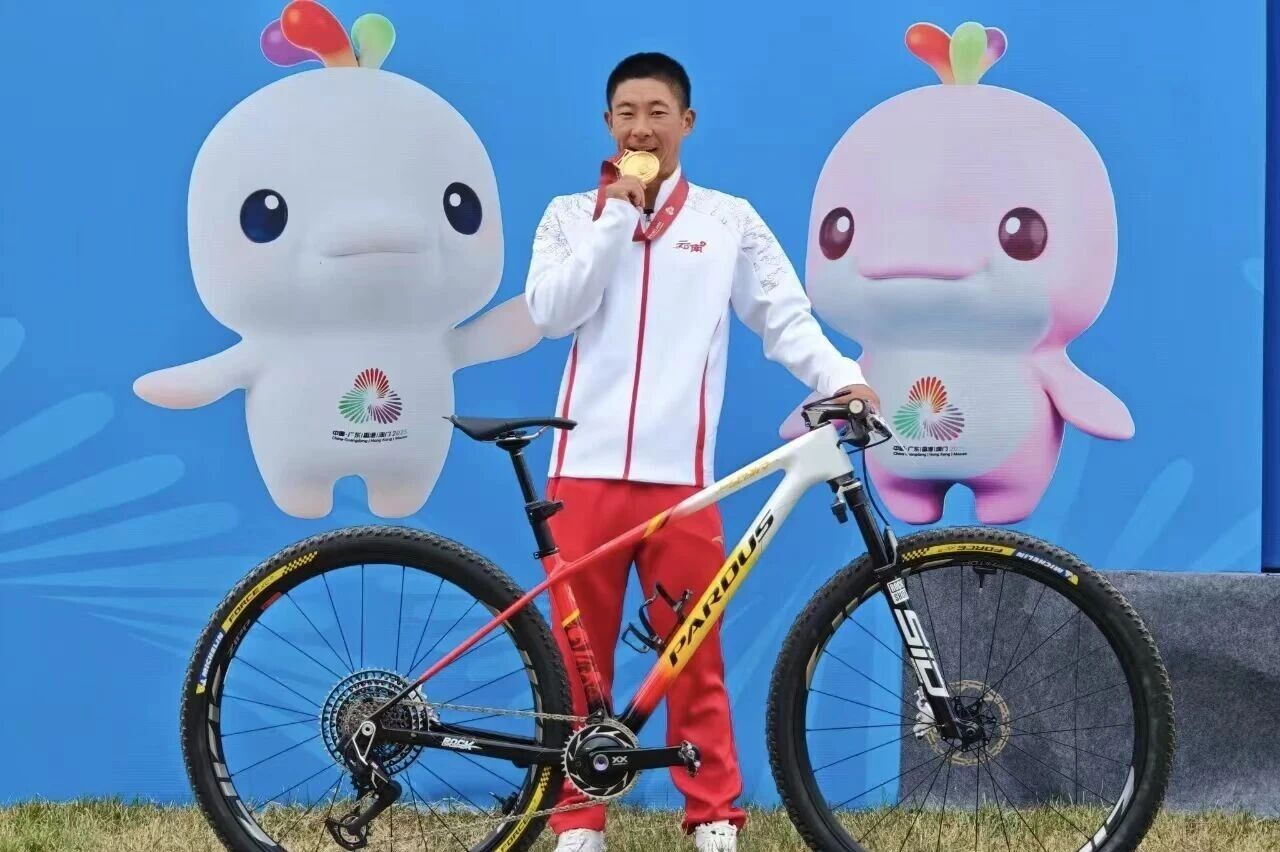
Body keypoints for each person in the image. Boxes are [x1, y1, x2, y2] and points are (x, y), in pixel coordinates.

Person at [523, 52, 880, 852]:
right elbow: (551, 312)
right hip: (580, 475)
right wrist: (614, 219)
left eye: (657, 112)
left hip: (681, 484)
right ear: (607, 124)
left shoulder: (728, 221)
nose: (641, 127)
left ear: (686, 122)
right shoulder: (569, 216)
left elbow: (784, 318)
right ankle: (578, 818)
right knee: (578, 662)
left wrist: (842, 378)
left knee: (693, 656)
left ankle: (712, 813)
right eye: (625, 113)